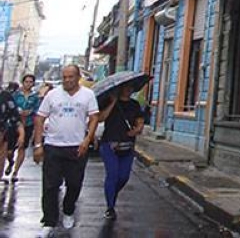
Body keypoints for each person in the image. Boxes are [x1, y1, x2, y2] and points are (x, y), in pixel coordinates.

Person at [33, 64, 99, 235]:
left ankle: (69, 210)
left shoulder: (88, 95)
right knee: (50, 186)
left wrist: (87, 140)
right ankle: (49, 221)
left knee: (74, 183)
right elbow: (40, 118)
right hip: (53, 146)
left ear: (78, 78)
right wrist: (38, 145)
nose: (67, 80)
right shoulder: (52, 95)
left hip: (76, 148)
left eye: (70, 77)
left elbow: (94, 118)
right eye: (64, 77)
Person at [96, 83, 145, 220]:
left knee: (123, 177)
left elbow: (140, 120)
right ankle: (110, 207)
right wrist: (113, 103)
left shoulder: (134, 104)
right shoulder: (109, 102)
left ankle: (111, 193)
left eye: (131, 87)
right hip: (109, 145)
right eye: (126, 87)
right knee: (112, 174)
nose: (128, 89)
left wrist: (137, 129)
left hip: (127, 146)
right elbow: (100, 118)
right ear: (120, 89)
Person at [9, 73, 40, 182]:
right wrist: (18, 111)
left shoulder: (35, 96)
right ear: (23, 82)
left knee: (22, 147)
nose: (28, 84)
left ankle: (16, 172)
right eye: (26, 81)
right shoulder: (16, 95)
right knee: (10, 149)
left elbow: (38, 109)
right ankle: (10, 161)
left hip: (28, 124)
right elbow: (10, 106)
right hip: (15, 124)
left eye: (31, 82)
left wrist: (31, 112)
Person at [0, 84, 23, 184]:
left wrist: (21, 133)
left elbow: (15, 117)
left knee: (4, 155)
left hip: (2, 131)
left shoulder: (5, 97)